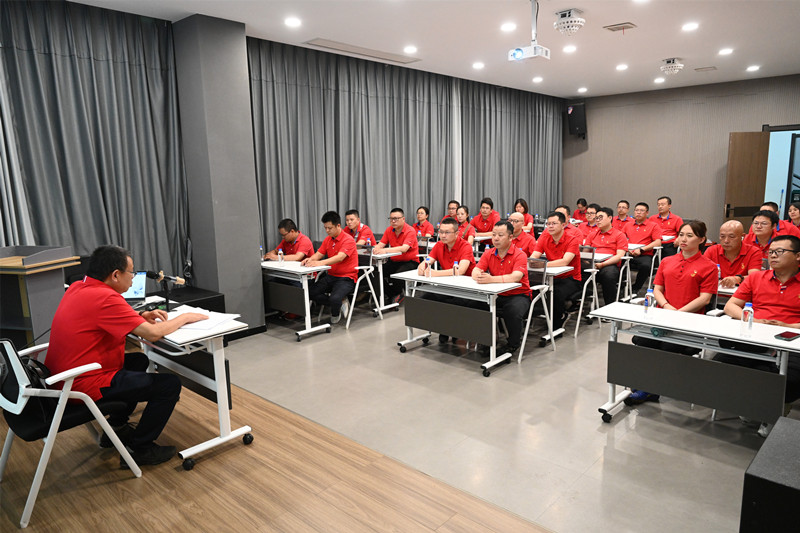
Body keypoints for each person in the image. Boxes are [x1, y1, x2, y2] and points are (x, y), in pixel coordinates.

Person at [47, 245, 209, 467]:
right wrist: (186, 317)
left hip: (64, 378)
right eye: (131, 272)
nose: (133, 277)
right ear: (115, 275)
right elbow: (153, 334)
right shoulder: (105, 297)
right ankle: (140, 448)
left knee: (138, 361)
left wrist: (141, 314)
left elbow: (105, 315)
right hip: (81, 384)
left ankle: (116, 427)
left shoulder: (78, 286)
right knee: (169, 385)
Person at [627, 220, 718, 404]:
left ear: (701, 239)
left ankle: (648, 389)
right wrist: (667, 307)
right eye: (681, 235)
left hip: (689, 321)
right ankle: (646, 385)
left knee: (667, 347)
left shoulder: (708, 266)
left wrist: (679, 313)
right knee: (642, 341)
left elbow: (705, 299)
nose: (683, 239)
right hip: (663, 317)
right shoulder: (667, 261)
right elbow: (657, 289)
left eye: (690, 236)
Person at [718, 235, 800, 436]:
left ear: (798, 256)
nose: (773, 256)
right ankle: (755, 405)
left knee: (790, 378)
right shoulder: (756, 278)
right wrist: (753, 320)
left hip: (792, 339)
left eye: (780, 252)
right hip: (756, 335)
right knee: (723, 363)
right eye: (771, 252)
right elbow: (730, 306)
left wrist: (787, 325)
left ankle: (773, 412)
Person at [472, 221, 531, 355]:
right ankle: (488, 339)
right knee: (476, 304)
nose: (496, 238)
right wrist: (479, 275)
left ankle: (513, 344)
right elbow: (476, 270)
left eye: (500, 235)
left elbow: (516, 277)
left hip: (518, 295)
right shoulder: (489, 253)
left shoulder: (519, 254)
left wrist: (491, 279)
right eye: (494, 235)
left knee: (512, 310)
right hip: (496, 294)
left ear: (510, 237)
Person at [418, 216, 477, 344]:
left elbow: (460, 271)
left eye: (447, 232)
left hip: (467, 288)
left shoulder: (465, 246)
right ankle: (443, 328)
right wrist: (422, 266)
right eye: (441, 232)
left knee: (452, 303)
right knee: (425, 298)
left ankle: (450, 330)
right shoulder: (439, 245)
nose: (443, 235)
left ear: (456, 233)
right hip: (448, 285)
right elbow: (428, 260)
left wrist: (435, 274)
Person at [302, 211, 358, 323]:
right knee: (310, 292)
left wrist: (320, 263)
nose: (327, 231)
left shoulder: (348, 240)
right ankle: (339, 303)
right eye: (325, 228)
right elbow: (319, 254)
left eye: (330, 228)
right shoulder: (328, 239)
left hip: (346, 278)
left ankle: (335, 311)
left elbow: (340, 257)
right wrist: (310, 259)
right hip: (331, 276)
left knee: (334, 298)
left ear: (338, 225)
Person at [531, 211, 582, 331]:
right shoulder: (545, 238)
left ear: (563, 225)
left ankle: (559, 319)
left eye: (554, 223)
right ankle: (532, 318)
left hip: (571, 278)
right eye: (548, 224)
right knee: (531, 287)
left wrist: (542, 265)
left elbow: (565, 261)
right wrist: (533, 263)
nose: (550, 226)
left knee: (555, 293)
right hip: (552, 276)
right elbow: (533, 257)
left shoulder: (572, 240)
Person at [373, 207, 420, 304]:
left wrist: (384, 250)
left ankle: (396, 294)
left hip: (410, 262)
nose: (393, 221)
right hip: (394, 261)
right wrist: (376, 249)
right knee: (374, 273)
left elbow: (404, 249)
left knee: (397, 275)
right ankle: (393, 294)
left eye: (396, 219)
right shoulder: (389, 230)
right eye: (391, 219)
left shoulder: (410, 230)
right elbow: (380, 244)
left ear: (403, 219)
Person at [584, 207, 628, 304]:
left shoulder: (619, 235)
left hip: (609, 264)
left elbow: (619, 256)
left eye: (601, 217)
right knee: (576, 272)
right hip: (593, 263)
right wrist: (586, 262)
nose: (598, 220)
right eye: (596, 218)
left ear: (610, 218)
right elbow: (585, 252)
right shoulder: (592, 234)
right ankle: (579, 302)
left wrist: (603, 264)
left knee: (608, 275)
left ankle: (609, 304)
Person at [703, 220, 762, 288]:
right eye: (722, 236)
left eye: (731, 237)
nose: (726, 241)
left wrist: (738, 279)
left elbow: (754, 277)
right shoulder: (712, 250)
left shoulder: (753, 252)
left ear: (742, 236)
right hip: (716, 291)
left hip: (743, 292)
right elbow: (701, 273)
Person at [624, 202, 663, 294]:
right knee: (616, 263)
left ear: (647, 213)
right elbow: (621, 239)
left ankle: (636, 287)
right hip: (628, 253)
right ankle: (621, 286)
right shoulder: (628, 225)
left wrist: (641, 249)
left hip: (644, 254)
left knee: (646, 266)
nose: (638, 212)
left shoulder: (653, 225)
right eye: (636, 210)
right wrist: (628, 250)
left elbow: (658, 242)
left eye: (642, 211)